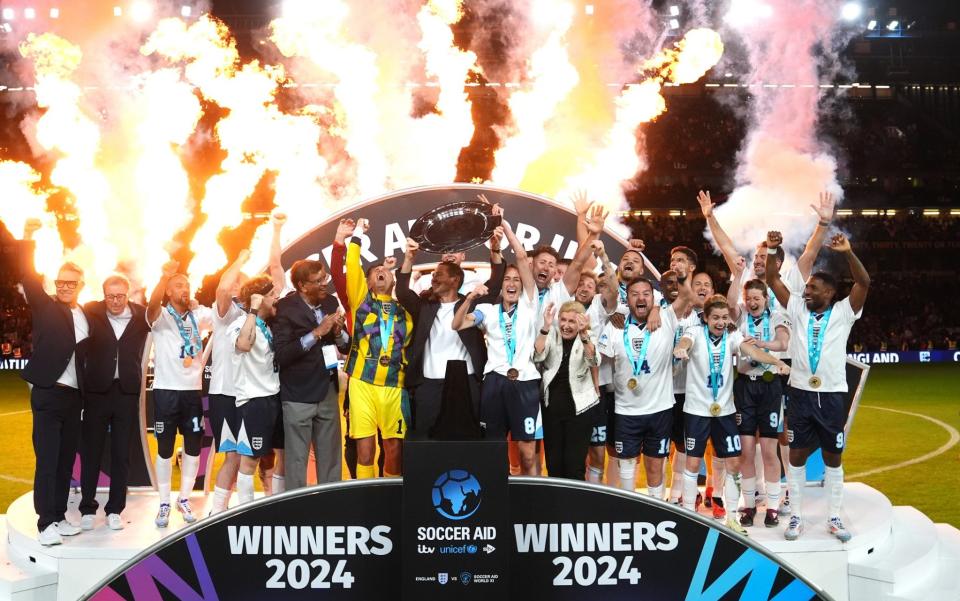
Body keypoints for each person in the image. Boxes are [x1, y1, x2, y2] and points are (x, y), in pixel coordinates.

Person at [766, 231, 869, 542]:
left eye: (813, 287)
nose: (806, 290)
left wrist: (849, 253)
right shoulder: (797, 308)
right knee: (795, 455)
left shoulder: (843, 312)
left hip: (832, 396)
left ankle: (834, 517)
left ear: (831, 292)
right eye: (807, 286)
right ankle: (796, 516)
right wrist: (773, 249)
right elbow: (772, 280)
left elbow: (863, 283)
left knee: (832, 457)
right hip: (799, 394)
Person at [673, 294, 789, 536]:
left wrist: (775, 362)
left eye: (724, 317)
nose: (720, 322)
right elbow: (684, 342)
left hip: (725, 411)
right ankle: (689, 516)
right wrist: (680, 349)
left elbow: (753, 352)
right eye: (715, 317)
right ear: (705, 318)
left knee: (734, 464)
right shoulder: (695, 333)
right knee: (693, 462)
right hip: (697, 410)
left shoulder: (733, 336)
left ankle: (733, 518)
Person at [397, 212, 505, 441]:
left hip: (465, 383)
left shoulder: (472, 303)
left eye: (439, 275)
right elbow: (403, 292)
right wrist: (408, 258)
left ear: (455, 280)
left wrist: (495, 250)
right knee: (425, 442)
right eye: (434, 274)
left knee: (467, 443)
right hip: (428, 384)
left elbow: (495, 284)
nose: (433, 278)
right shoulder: (424, 306)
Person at [209, 213, 287, 512]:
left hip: (259, 394)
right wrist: (240, 259)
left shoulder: (270, 316)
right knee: (236, 456)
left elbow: (277, 273)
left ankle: (267, 503)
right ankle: (221, 511)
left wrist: (277, 230)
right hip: (231, 393)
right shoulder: (229, 316)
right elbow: (222, 289)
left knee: (262, 452)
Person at [19, 219, 89, 545]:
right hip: (48, 393)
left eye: (71, 283)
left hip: (74, 399)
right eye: (61, 282)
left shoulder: (86, 315)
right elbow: (27, 276)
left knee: (64, 462)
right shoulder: (45, 305)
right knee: (47, 460)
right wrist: (29, 237)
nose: (64, 287)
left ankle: (59, 516)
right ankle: (45, 522)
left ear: (81, 285)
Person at [452, 217, 540, 474]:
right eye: (507, 279)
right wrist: (470, 298)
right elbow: (457, 325)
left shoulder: (529, 305)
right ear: (501, 285)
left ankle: (530, 503)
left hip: (525, 382)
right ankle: (496, 499)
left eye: (516, 280)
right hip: (494, 381)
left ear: (523, 285)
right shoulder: (488, 311)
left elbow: (522, 258)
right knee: (493, 446)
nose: (512, 283)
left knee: (527, 452)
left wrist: (506, 226)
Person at [597, 275, 692, 498]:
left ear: (654, 299)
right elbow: (597, 361)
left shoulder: (666, 317)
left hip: (660, 410)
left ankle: (656, 511)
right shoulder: (615, 326)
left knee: (655, 466)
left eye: (646, 294)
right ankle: (631, 512)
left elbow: (687, 295)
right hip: (626, 411)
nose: (641, 298)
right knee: (627, 468)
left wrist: (682, 276)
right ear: (627, 299)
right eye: (635, 294)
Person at [77, 274, 150, 531]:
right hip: (96, 392)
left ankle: (114, 509)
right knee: (91, 452)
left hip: (127, 393)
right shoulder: (91, 310)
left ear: (128, 295)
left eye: (120, 296)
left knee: (122, 453)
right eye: (110, 296)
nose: (115, 301)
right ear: (103, 294)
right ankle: (87, 507)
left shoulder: (142, 315)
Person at [341, 218, 413, 477]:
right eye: (375, 271)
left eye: (385, 270)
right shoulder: (361, 301)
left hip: (395, 385)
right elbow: (351, 263)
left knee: (394, 450)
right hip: (362, 383)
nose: (381, 272)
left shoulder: (406, 311)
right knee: (365, 451)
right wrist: (358, 233)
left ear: (393, 279)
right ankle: (366, 501)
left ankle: (390, 504)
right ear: (368, 281)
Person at [146, 260, 213, 527]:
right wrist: (163, 276)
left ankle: (183, 498)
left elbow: (221, 314)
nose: (183, 288)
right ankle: (163, 501)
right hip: (165, 392)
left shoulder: (200, 315)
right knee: (164, 447)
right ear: (168, 292)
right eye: (177, 285)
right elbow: (151, 307)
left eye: (186, 284)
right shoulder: (161, 316)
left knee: (193, 445)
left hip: (192, 393)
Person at [273, 258, 347, 488]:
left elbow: (345, 345)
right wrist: (316, 333)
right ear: (303, 285)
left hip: (327, 389)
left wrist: (336, 333)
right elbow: (283, 354)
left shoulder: (330, 302)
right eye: (318, 281)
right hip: (297, 393)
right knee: (296, 460)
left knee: (331, 458)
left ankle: (331, 505)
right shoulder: (286, 308)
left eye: (324, 277)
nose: (325, 283)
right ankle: (295, 511)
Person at [726, 276, 791, 528]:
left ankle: (772, 507)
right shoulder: (739, 315)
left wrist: (759, 345)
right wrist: (736, 271)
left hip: (770, 386)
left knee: (768, 450)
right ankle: (749, 505)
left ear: (765, 299)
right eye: (748, 298)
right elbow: (730, 302)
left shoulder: (776, 316)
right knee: (747, 451)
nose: (752, 302)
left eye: (757, 298)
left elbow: (783, 342)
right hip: (744, 385)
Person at [229, 276, 283, 504]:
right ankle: (246, 513)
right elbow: (243, 345)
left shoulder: (267, 327)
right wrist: (252, 310)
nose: (276, 300)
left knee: (282, 454)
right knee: (250, 459)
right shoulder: (239, 324)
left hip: (275, 396)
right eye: (271, 296)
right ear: (259, 299)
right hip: (254, 400)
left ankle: (279, 506)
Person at [534, 301, 600, 479]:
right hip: (551, 408)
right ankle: (555, 505)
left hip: (580, 410)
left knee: (574, 466)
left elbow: (593, 361)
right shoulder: (551, 333)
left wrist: (584, 334)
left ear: (580, 322)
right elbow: (538, 355)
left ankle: (574, 506)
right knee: (554, 465)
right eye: (563, 320)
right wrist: (546, 327)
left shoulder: (588, 335)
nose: (566, 326)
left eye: (572, 321)